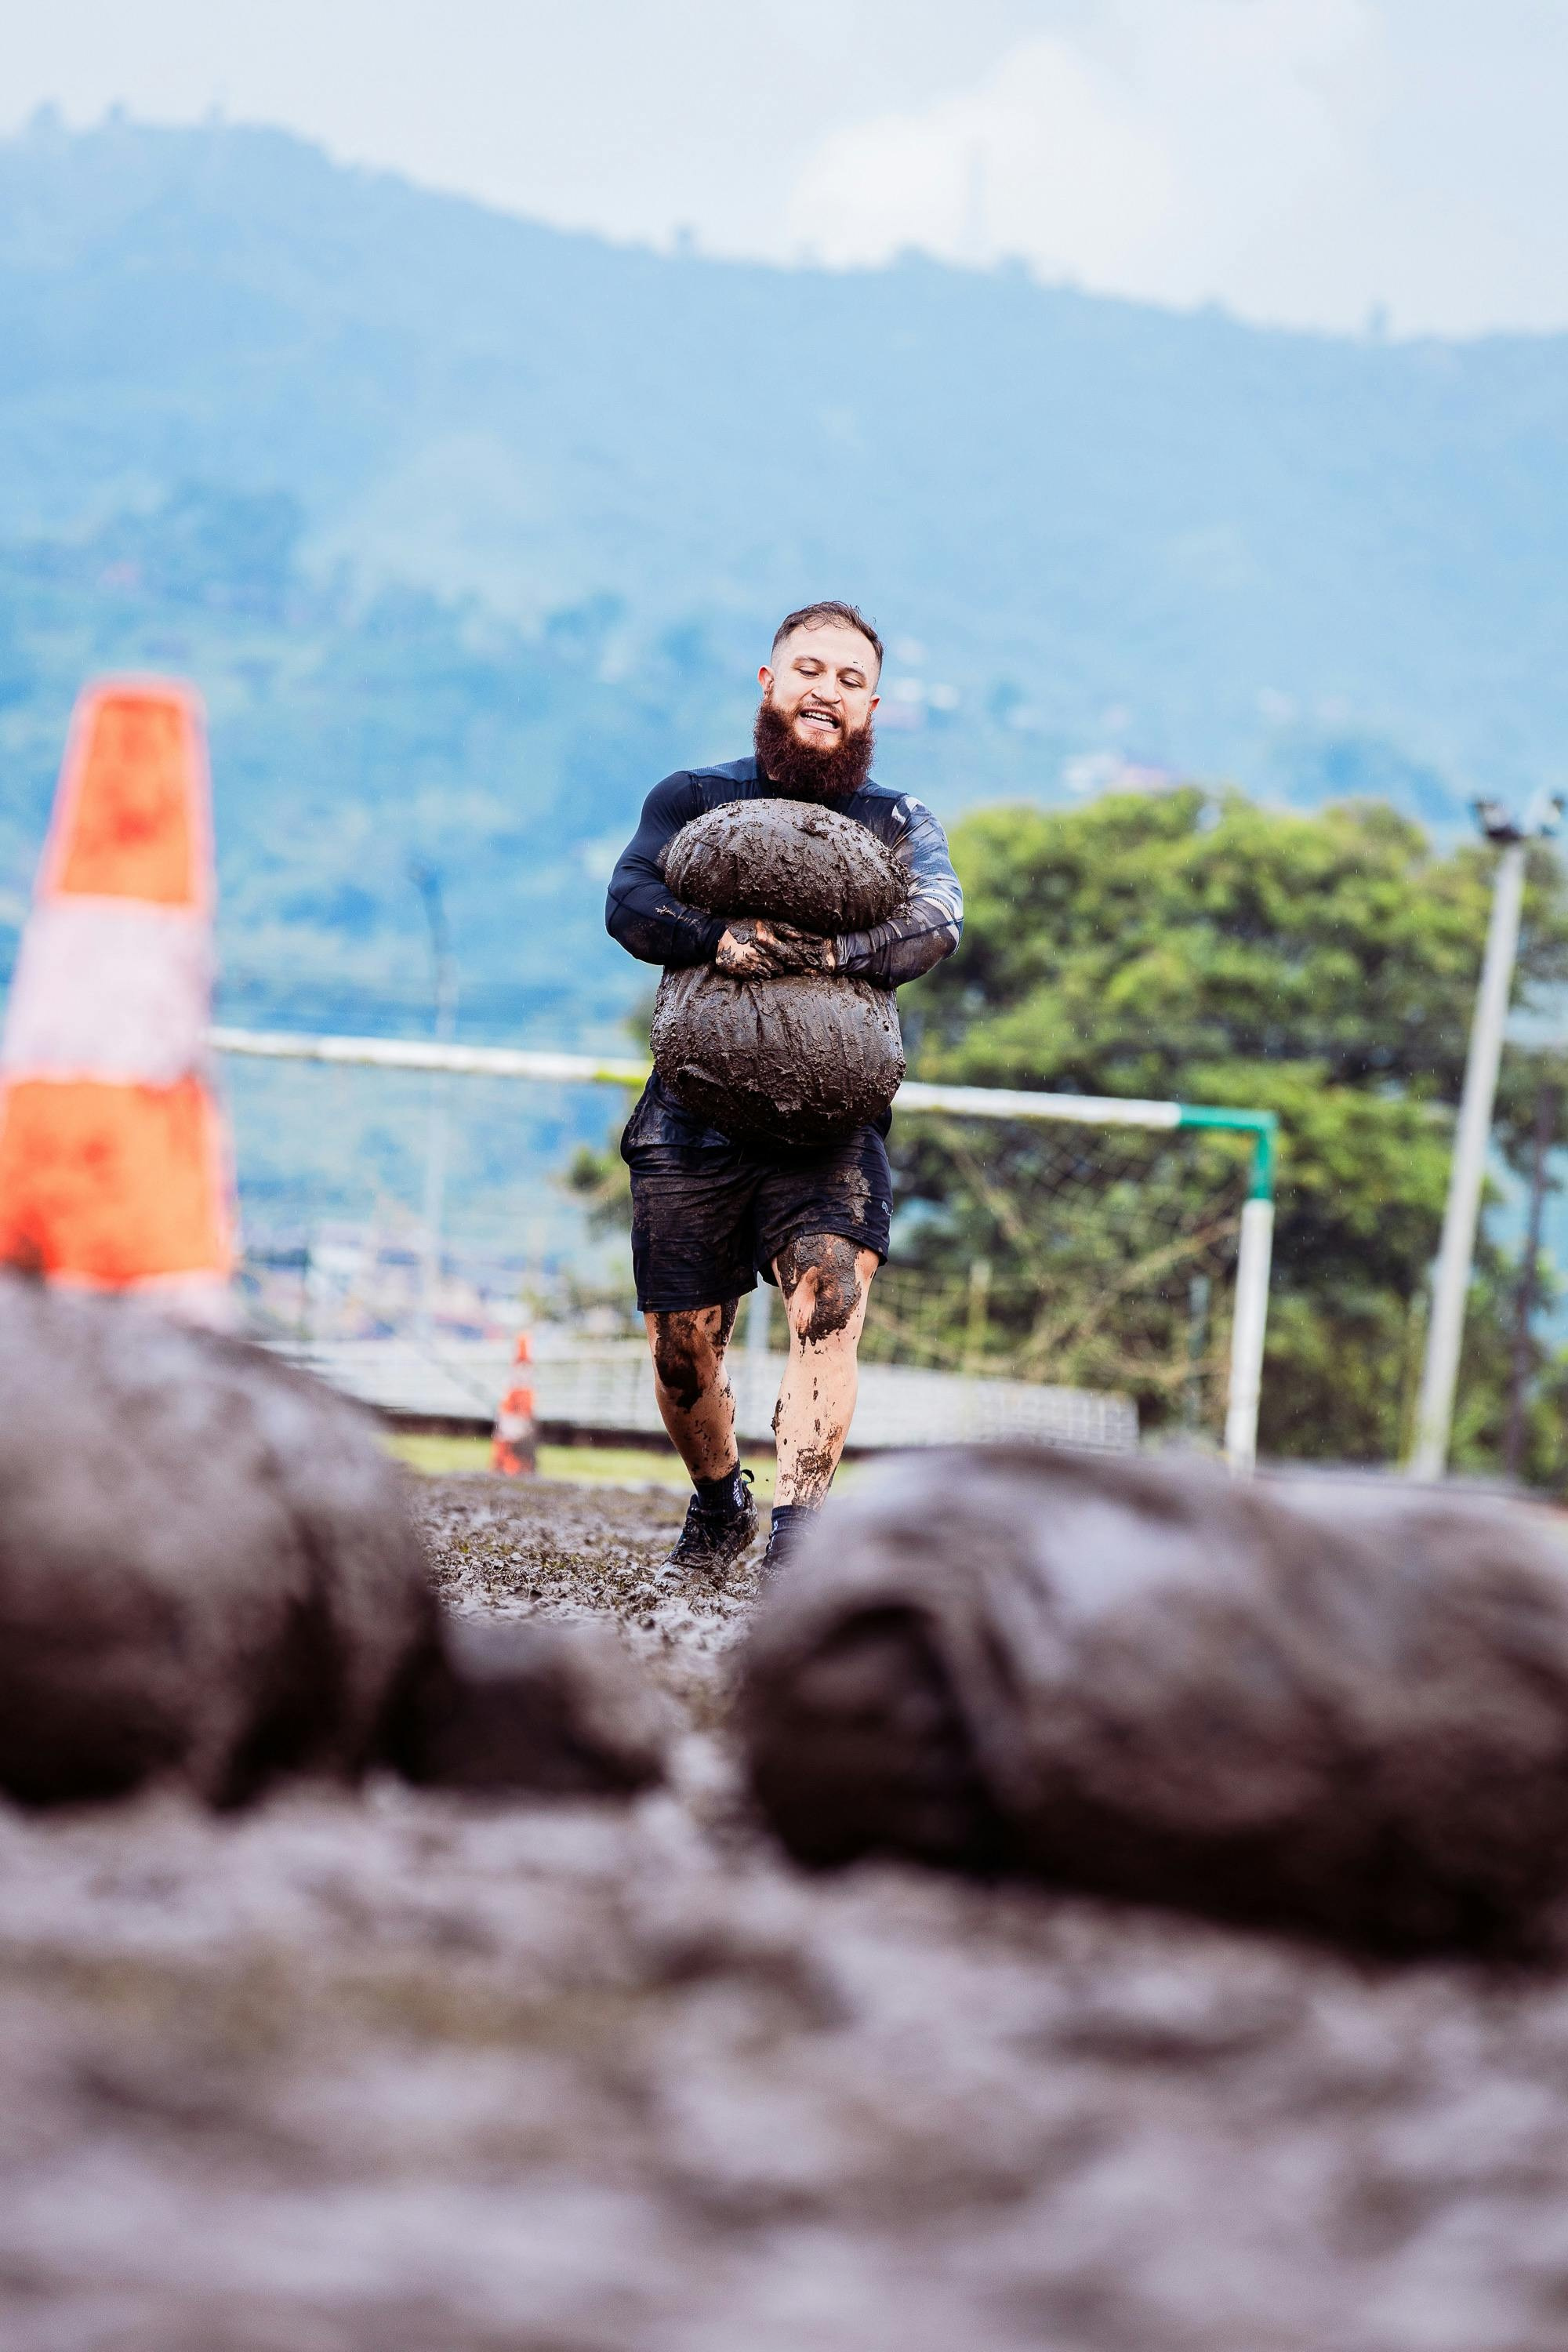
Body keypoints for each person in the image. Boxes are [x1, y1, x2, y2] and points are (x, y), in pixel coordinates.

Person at [604, 601, 963, 1577]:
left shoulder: (897, 823)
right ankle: (719, 1500)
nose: (826, 692)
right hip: (692, 1109)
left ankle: (799, 1543)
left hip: (832, 1119)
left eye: (849, 681)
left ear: (872, 708)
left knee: (828, 1298)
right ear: (769, 685)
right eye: (809, 670)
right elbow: (629, 900)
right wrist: (716, 938)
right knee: (682, 1346)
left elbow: (938, 918)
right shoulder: (691, 799)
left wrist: (838, 950)